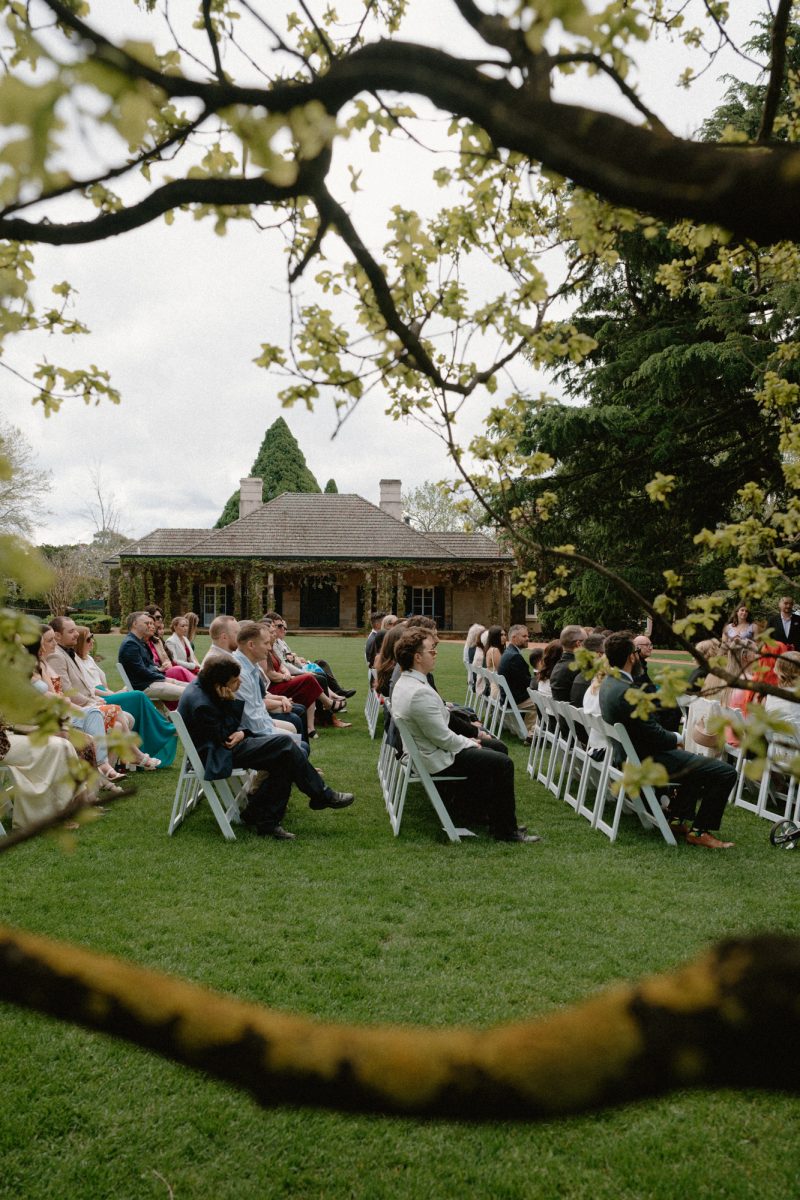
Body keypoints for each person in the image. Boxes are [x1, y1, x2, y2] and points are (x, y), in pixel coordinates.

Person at [178, 657, 355, 840]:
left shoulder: (205, 687)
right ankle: (320, 795)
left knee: (285, 756)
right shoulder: (202, 704)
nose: (239, 683)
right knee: (285, 745)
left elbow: (227, 731)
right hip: (217, 754)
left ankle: (262, 816)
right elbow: (226, 737)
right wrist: (233, 705)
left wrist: (242, 732)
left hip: (221, 745)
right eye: (235, 681)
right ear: (219, 684)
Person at [390, 627, 539, 843]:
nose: (435, 654)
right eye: (431, 651)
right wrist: (470, 742)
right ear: (417, 657)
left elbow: (439, 730)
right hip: (434, 757)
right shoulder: (418, 691)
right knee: (502, 763)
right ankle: (505, 830)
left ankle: (482, 812)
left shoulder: (408, 682)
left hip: (429, 750)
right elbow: (442, 738)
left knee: (497, 747)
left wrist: (471, 739)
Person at [599, 631, 736, 849]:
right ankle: (700, 832)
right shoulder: (626, 691)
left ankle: (676, 820)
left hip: (628, 755)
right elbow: (653, 733)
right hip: (646, 760)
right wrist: (677, 738)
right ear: (631, 657)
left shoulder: (609, 683)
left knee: (692, 763)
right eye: (637, 651)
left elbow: (646, 729)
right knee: (726, 772)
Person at [74, 626, 175, 767]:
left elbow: (102, 684)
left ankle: (157, 733)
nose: (92, 641)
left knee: (135, 697)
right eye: (88, 639)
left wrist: (114, 692)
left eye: (92, 637)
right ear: (79, 642)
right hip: (99, 698)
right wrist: (113, 694)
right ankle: (165, 727)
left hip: (106, 693)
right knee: (138, 695)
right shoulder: (76, 661)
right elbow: (90, 689)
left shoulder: (89, 659)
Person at [118, 612, 189, 703]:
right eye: (146, 623)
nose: (150, 626)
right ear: (135, 624)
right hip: (144, 686)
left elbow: (148, 666)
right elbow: (141, 671)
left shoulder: (138, 642)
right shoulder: (130, 644)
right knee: (189, 692)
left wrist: (159, 671)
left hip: (150, 682)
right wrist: (163, 679)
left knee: (192, 687)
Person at [497, 624, 536, 732]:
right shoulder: (514, 656)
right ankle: (530, 732)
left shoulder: (509, 652)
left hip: (508, 697)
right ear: (514, 638)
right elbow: (527, 682)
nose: (527, 638)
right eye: (524, 636)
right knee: (542, 702)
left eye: (527, 636)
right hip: (514, 699)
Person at [550, 625, 586, 703]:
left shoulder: (558, 665)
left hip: (561, 710)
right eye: (586, 641)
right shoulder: (578, 668)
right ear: (579, 644)